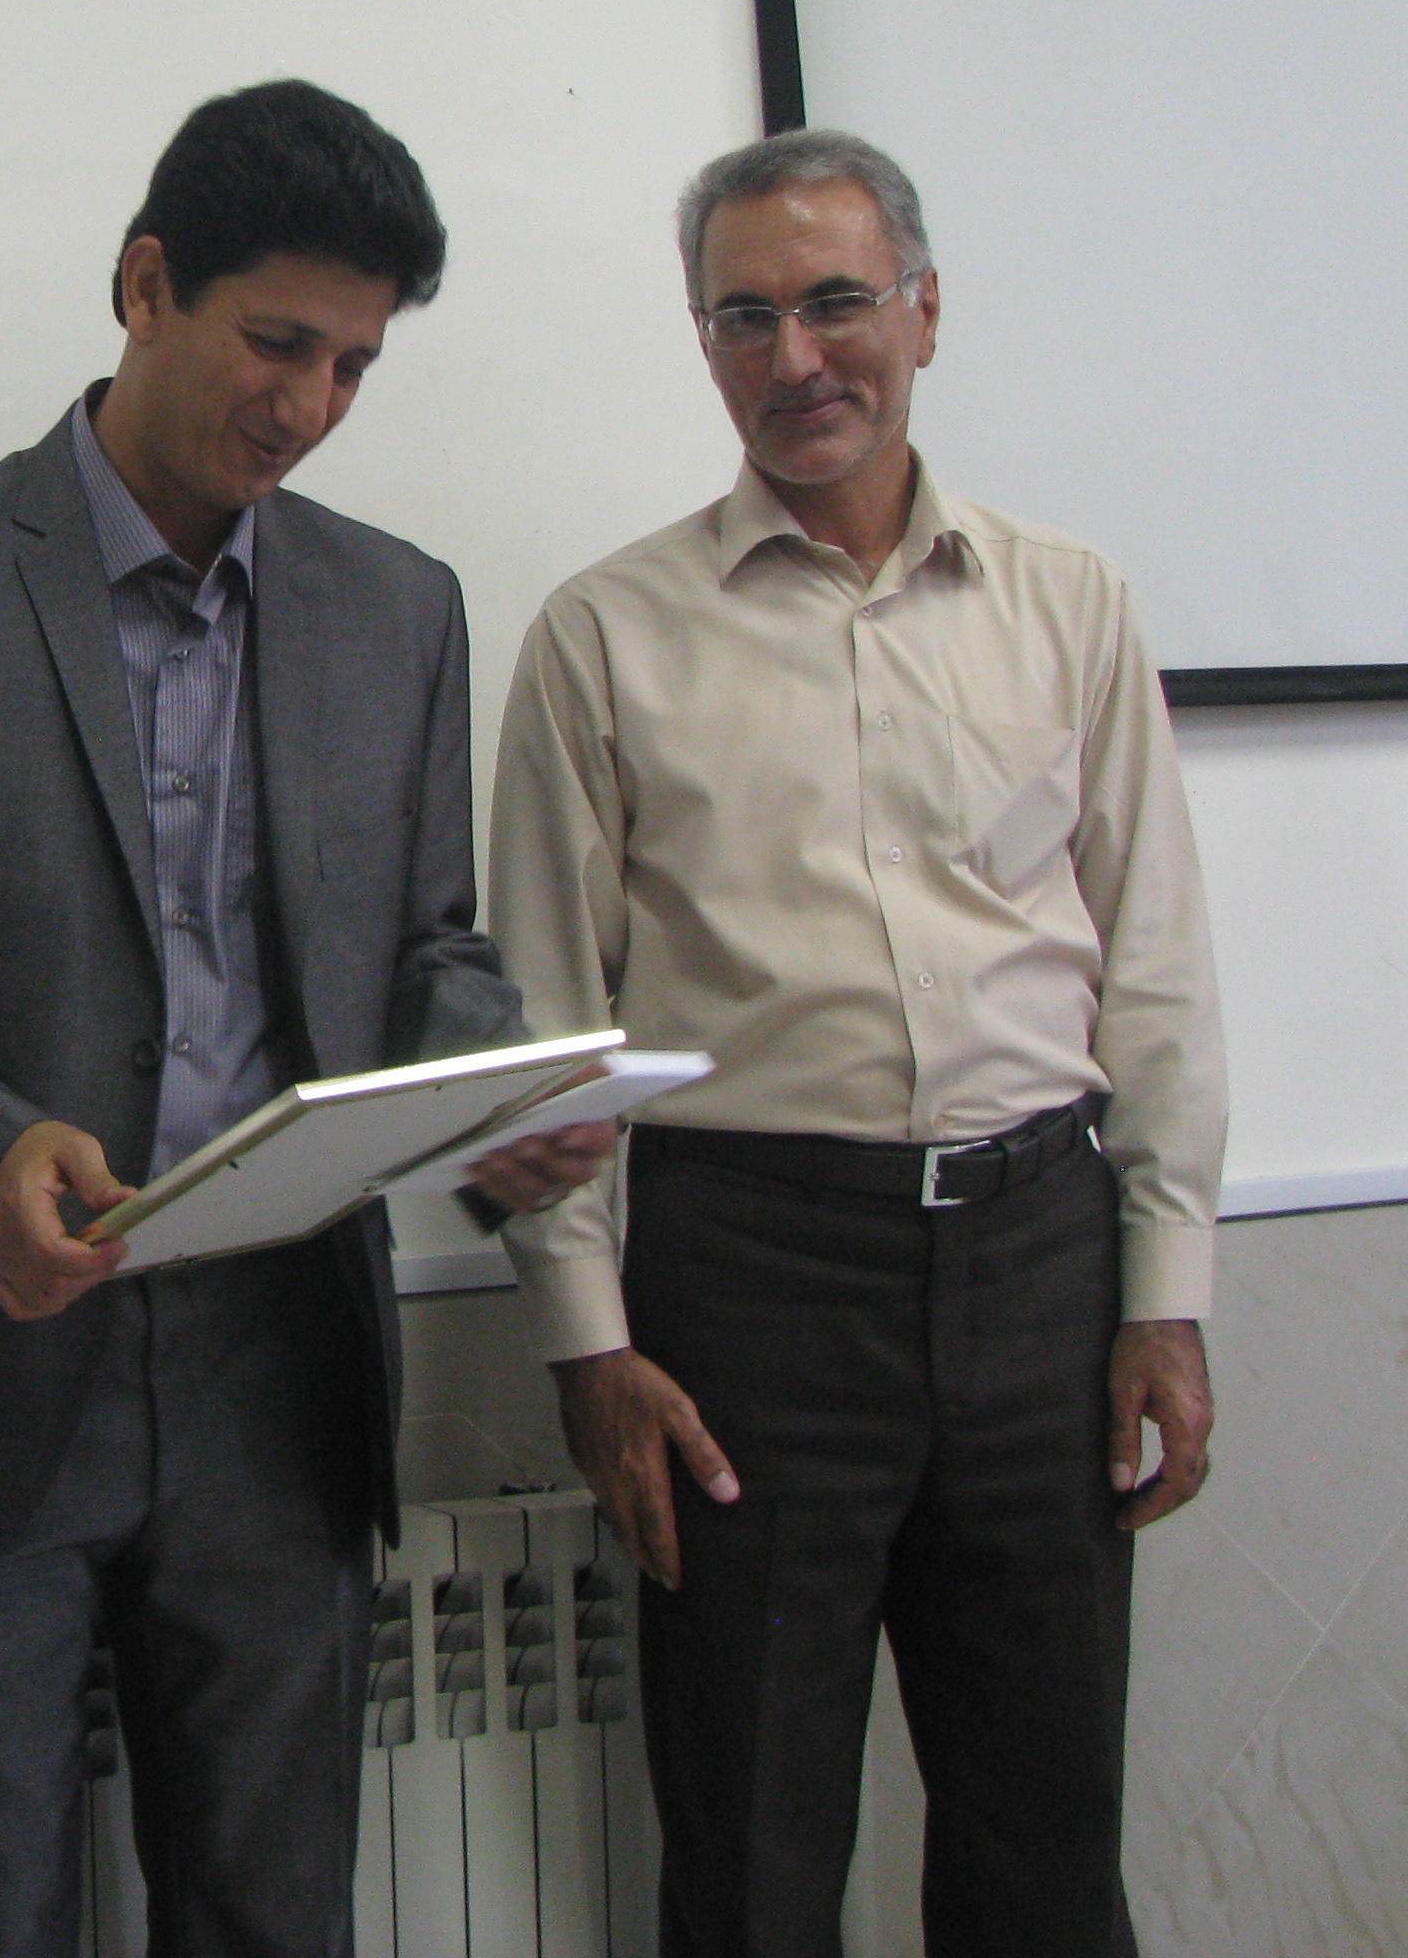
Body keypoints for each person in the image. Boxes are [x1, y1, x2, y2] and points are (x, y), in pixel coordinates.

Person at [0, 80, 609, 1958]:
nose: (309, 404)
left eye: (354, 367)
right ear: (144, 284)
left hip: (281, 1374)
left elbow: (429, 945)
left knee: (277, 1915)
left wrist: (481, 1096)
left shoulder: (397, 609)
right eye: (278, 343)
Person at [489, 128, 1225, 1956]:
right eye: (746, 318)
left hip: (1042, 1267)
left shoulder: (1068, 602)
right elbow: (546, 1028)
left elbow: (1155, 971)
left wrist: (1165, 1292)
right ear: (704, 341)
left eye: (836, 302)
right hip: (749, 1290)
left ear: (926, 310)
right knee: (750, 1857)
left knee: (1045, 1856)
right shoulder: (603, 637)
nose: (797, 356)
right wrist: (588, 1343)